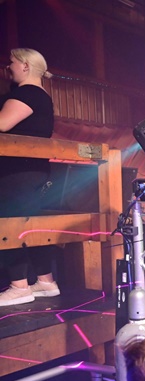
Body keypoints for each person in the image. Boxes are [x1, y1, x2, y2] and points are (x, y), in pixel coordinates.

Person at [0, 48, 59, 306]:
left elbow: (2, 123)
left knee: (10, 224)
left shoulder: (27, 93)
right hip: (33, 171)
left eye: (11, 62)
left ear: (25, 66)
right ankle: (46, 282)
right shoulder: (41, 96)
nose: (8, 67)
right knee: (30, 225)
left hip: (17, 173)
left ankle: (19, 286)